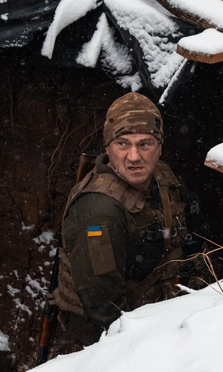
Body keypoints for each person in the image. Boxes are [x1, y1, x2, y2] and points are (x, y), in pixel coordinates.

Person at [52, 92, 201, 346]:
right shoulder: (98, 212)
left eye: (145, 144)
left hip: (160, 317)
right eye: (123, 144)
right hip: (101, 344)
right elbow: (106, 311)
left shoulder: (162, 176)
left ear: (160, 147)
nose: (134, 157)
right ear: (107, 148)